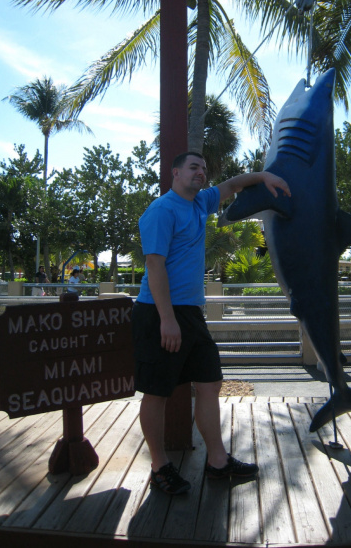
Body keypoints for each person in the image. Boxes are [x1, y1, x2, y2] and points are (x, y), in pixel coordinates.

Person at [132, 151, 291, 495]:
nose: (201, 173)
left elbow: (233, 184)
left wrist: (264, 177)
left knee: (209, 383)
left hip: (190, 312)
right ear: (175, 173)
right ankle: (159, 466)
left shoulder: (200, 203)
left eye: (204, 168)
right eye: (193, 167)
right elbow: (154, 267)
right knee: (156, 391)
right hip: (159, 312)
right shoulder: (161, 211)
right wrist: (167, 320)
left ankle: (217, 462)